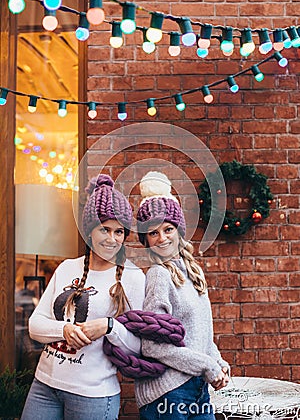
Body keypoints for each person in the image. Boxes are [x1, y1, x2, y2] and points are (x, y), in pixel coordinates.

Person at [21, 174, 145, 420]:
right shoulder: (68, 268)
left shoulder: (133, 277)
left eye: (119, 231)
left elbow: (137, 347)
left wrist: (109, 327)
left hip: (93, 394)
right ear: (89, 231)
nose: (112, 239)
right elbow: (35, 326)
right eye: (104, 229)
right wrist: (65, 330)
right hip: (44, 386)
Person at [134, 171, 230, 420]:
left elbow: (200, 333)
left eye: (167, 229)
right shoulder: (158, 275)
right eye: (153, 233)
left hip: (198, 388)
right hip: (168, 393)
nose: (162, 238)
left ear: (178, 230)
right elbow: (153, 346)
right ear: (146, 239)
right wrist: (207, 366)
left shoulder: (193, 272)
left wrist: (217, 361)